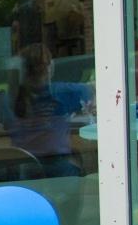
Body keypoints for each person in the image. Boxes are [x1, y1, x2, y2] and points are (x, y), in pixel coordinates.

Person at [10, 43, 92, 177]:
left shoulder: (13, 97)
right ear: (50, 68)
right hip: (58, 169)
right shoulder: (61, 92)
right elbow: (88, 90)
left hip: (25, 171)